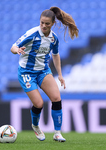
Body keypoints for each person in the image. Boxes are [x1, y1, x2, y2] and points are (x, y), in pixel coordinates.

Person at [10, 6, 79, 142]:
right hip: (26, 72)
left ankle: (57, 133)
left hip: (43, 71)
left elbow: (56, 55)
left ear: (53, 23)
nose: (43, 26)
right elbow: (13, 47)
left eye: (47, 24)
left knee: (56, 98)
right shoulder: (32, 33)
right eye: (42, 22)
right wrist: (17, 50)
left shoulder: (54, 38)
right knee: (39, 103)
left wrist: (59, 74)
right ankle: (35, 126)